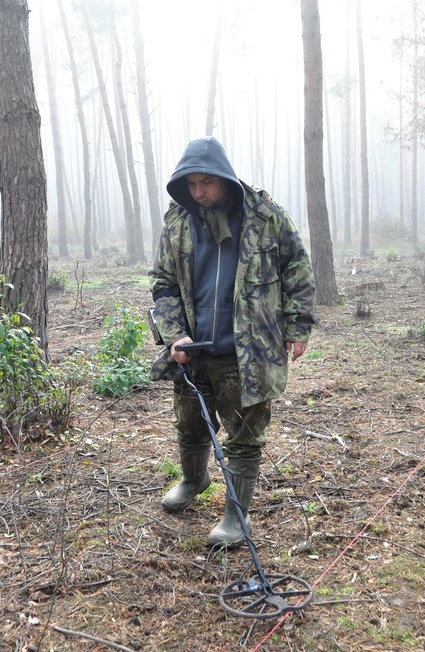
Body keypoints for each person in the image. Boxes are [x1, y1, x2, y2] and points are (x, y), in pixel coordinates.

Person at [149, 137, 316, 548]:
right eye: (190, 185)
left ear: (225, 177)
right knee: (189, 423)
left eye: (206, 182)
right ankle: (194, 479)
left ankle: (235, 516)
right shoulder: (177, 223)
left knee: (243, 435)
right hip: (193, 351)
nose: (199, 192)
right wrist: (174, 335)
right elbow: (163, 284)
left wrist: (298, 326)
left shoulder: (265, 217)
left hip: (249, 351)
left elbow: (297, 267)